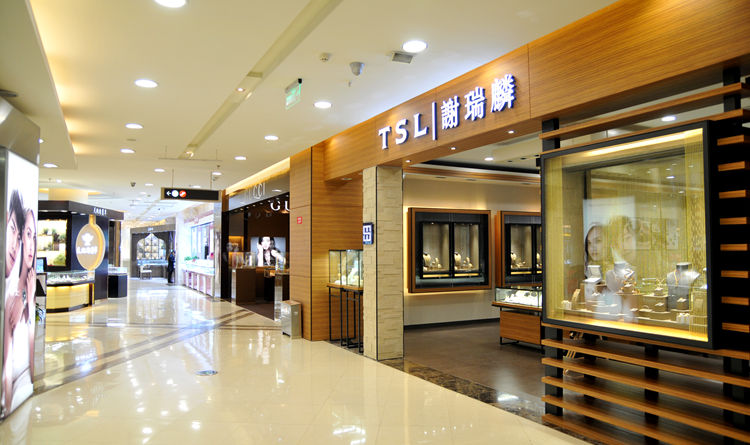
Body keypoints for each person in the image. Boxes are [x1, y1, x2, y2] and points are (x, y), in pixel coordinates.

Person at [2, 193, 34, 417]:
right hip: (15, 405)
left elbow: (31, 368)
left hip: (24, 406)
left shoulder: (27, 293)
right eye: (26, 234)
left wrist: (29, 303)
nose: (29, 244)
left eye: (33, 237)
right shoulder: (11, 298)